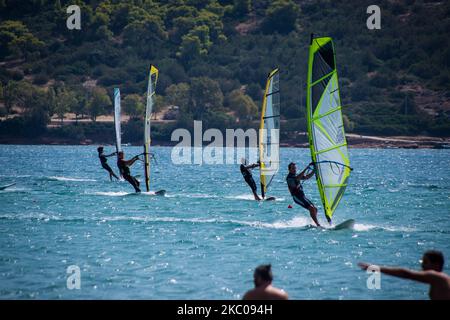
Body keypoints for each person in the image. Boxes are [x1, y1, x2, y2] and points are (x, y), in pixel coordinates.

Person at [358, 250, 450, 300]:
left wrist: (376, 268)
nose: (422, 265)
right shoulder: (441, 279)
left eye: (426, 262)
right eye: (422, 262)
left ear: (436, 264)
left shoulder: (436, 277)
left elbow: (406, 273)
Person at [286, 162, 323, 227]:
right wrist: (306, 167)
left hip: (302, 196)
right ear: (289, 169)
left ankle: (314, 221)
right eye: (293, 168)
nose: (294, 169)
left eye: (295, 168)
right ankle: (318, 224)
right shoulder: (289, 178)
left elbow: (307, 177)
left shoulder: (295, 175)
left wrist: (314, 170)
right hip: (297, 197)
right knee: (311, 208)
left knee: (315, 209)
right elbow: (297, 178)